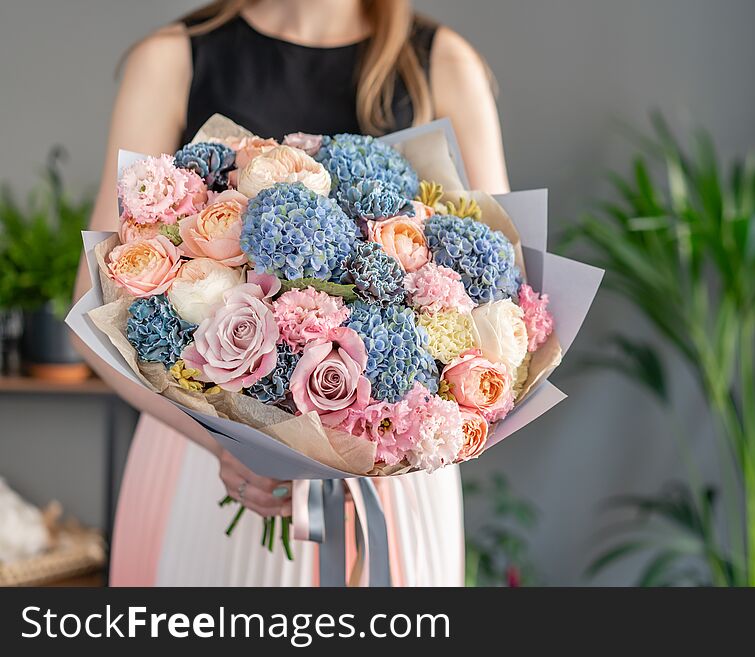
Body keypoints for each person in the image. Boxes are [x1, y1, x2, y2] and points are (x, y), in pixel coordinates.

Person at [74, 0, 509, 586]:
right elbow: (93, 311)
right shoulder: (173, 59)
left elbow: (501, 295)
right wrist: (222, 447)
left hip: (388, 485)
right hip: (208, 466)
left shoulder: (441, 63)